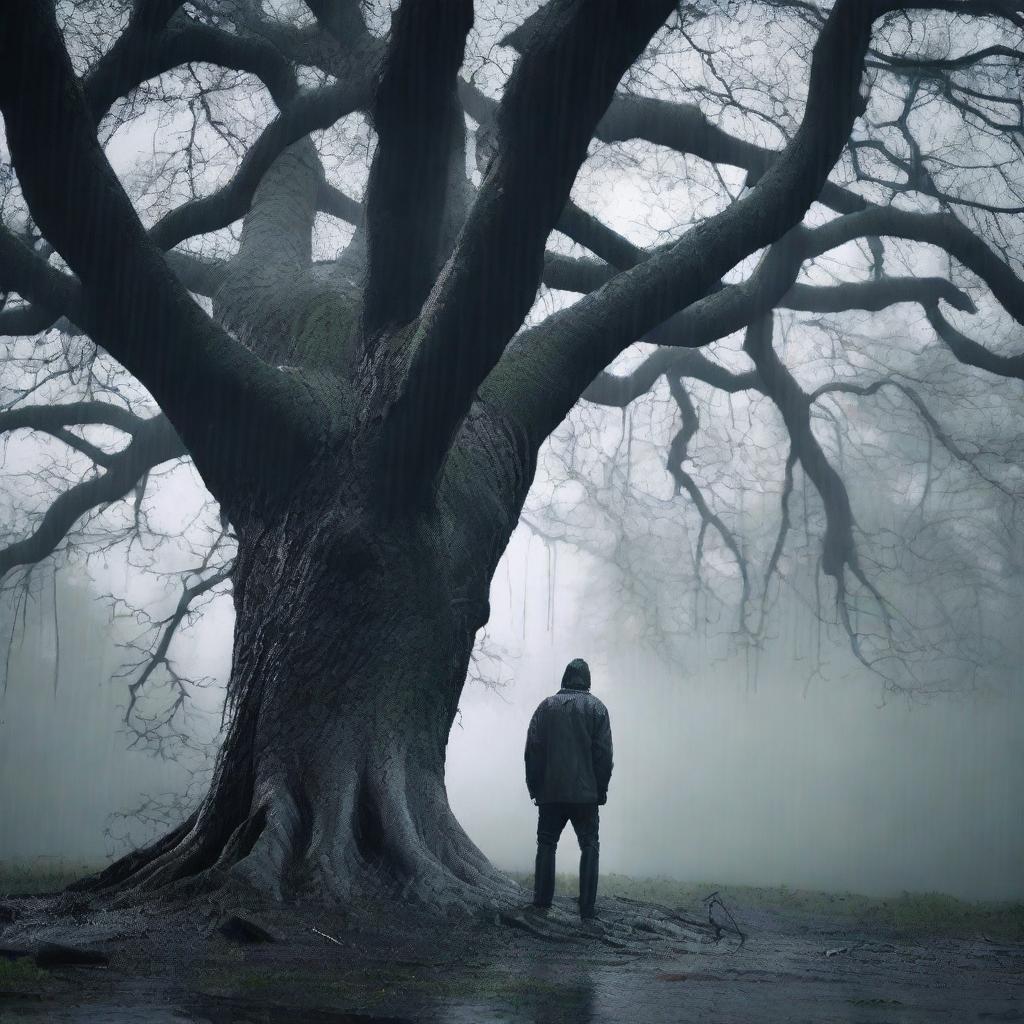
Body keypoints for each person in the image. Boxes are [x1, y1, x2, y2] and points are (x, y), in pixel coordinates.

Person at [524, 657, 613, 920]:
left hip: (550, 793)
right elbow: (603, 755)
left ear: (564, 678)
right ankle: (587, 909)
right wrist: (601, 790)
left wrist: (534, 787)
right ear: (587, 681)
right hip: (586, 795)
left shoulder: (546, 707)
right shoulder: (597, 709)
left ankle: (541, 904)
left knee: (546, 843)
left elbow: (533, 751)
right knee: (590, 845)